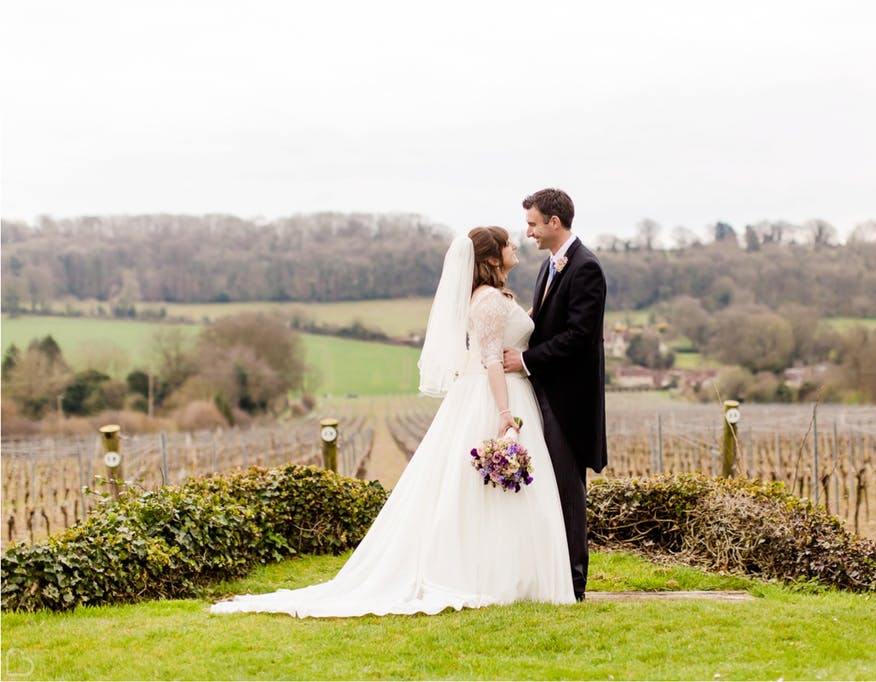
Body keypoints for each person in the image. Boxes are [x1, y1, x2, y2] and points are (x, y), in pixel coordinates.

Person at [211, 226, 575, 618]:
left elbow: (515, 334)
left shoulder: (492, 297)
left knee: (493, 490)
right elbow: (490, 360)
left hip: (502, 389)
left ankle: (514, 573)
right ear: (490, 259)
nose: (515, 244)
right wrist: (505, 416)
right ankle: (496, 575)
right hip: (494, 396)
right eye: (507, 243)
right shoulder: (486, 301)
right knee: (486, 489)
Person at [502, 188, 607, 602]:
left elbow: (579, 338)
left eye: (532, 224)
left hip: (569, 401)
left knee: (567, 491)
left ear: (554, 223)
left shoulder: (586, 268)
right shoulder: (550, 267)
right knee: (548, 488)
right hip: (544, 393)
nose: (527, 232)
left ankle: (573, 584)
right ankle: (550, 576)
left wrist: (525, 360)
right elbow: (547, 324)